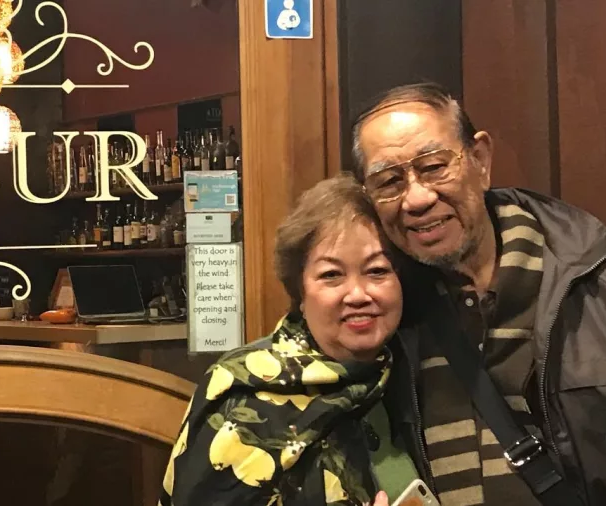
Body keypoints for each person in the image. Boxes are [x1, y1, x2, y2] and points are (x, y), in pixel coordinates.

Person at [350, 82, 606, 505]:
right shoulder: (380, 320)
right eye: (389, 181)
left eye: (434, 166)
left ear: (479, 159)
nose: (417, 198)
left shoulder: (604, 287)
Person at [159, 174, 419, 506]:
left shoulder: (409, 376)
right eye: (331, 275)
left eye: (377, 271)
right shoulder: (242, 395)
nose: (358, 294)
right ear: (299, 291)